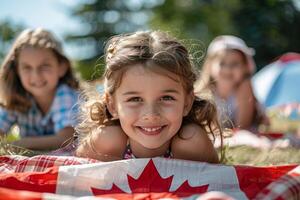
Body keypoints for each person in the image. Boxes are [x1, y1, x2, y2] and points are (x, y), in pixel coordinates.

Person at [75, 31, 222, 163]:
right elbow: (72, 181)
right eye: (135, 99)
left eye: (166, 98)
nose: (151, 115)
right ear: (112, 105)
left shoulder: (190, 142)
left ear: (187, 103)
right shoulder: (107, 141)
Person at [0, 28, 80, 150]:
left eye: (45, 66)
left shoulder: (64, 93)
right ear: (17, 71)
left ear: (61, 67)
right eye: (27, 67)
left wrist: (20, 144)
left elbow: (66, 138)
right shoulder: (17, 96)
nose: (36, 76)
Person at [196, 35, 267, 132]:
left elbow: (242, 127)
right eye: (222, 63)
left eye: (235, 64)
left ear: (245, 68)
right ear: (210, 66)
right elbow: (205, 128)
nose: (228, 69)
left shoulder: (244, 89)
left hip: (236, 133)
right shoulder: (204, 92)